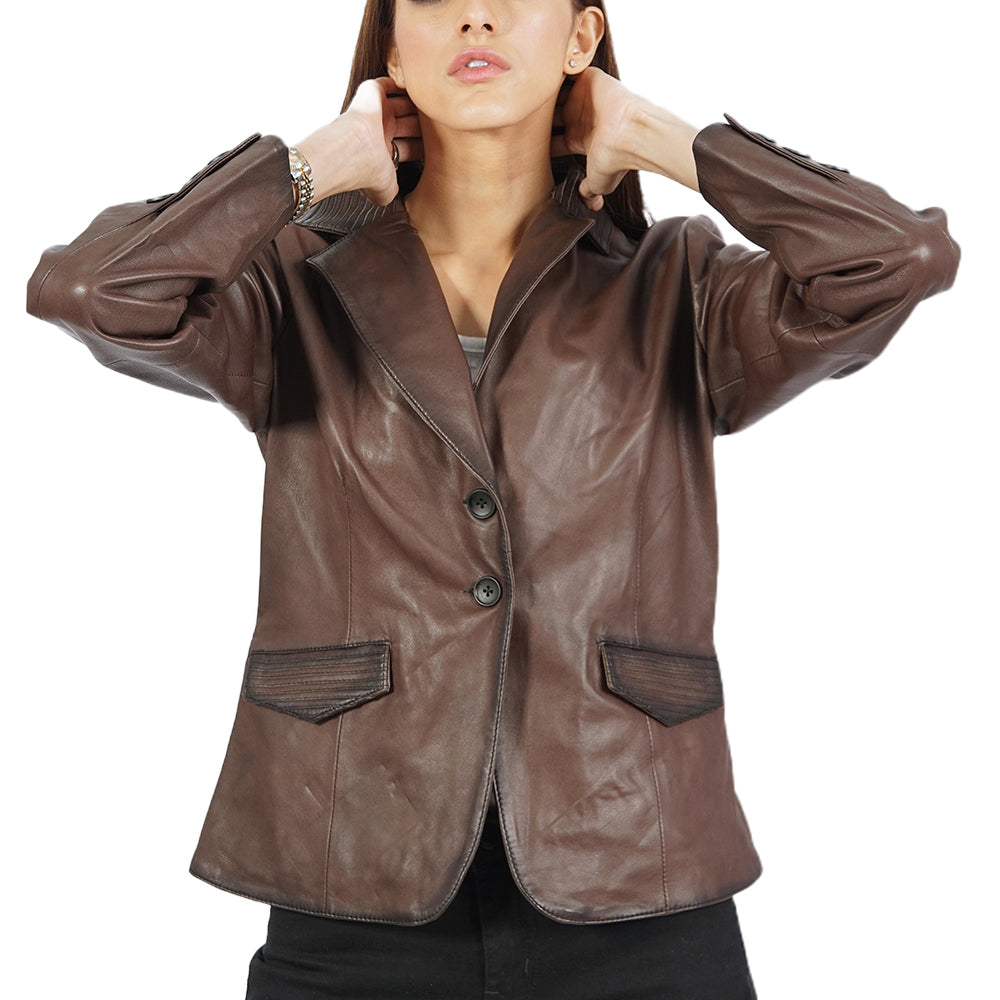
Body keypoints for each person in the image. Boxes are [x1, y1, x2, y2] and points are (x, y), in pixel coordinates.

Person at [25, 0, 959, 996]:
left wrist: (664, 140)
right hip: (351, 872)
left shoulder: (676, 285)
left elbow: (893, 260)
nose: (475, 15)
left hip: (635, 874)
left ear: (581, 37)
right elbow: (91, 288)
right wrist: (309, 169)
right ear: (393, 46)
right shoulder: (292, 289)